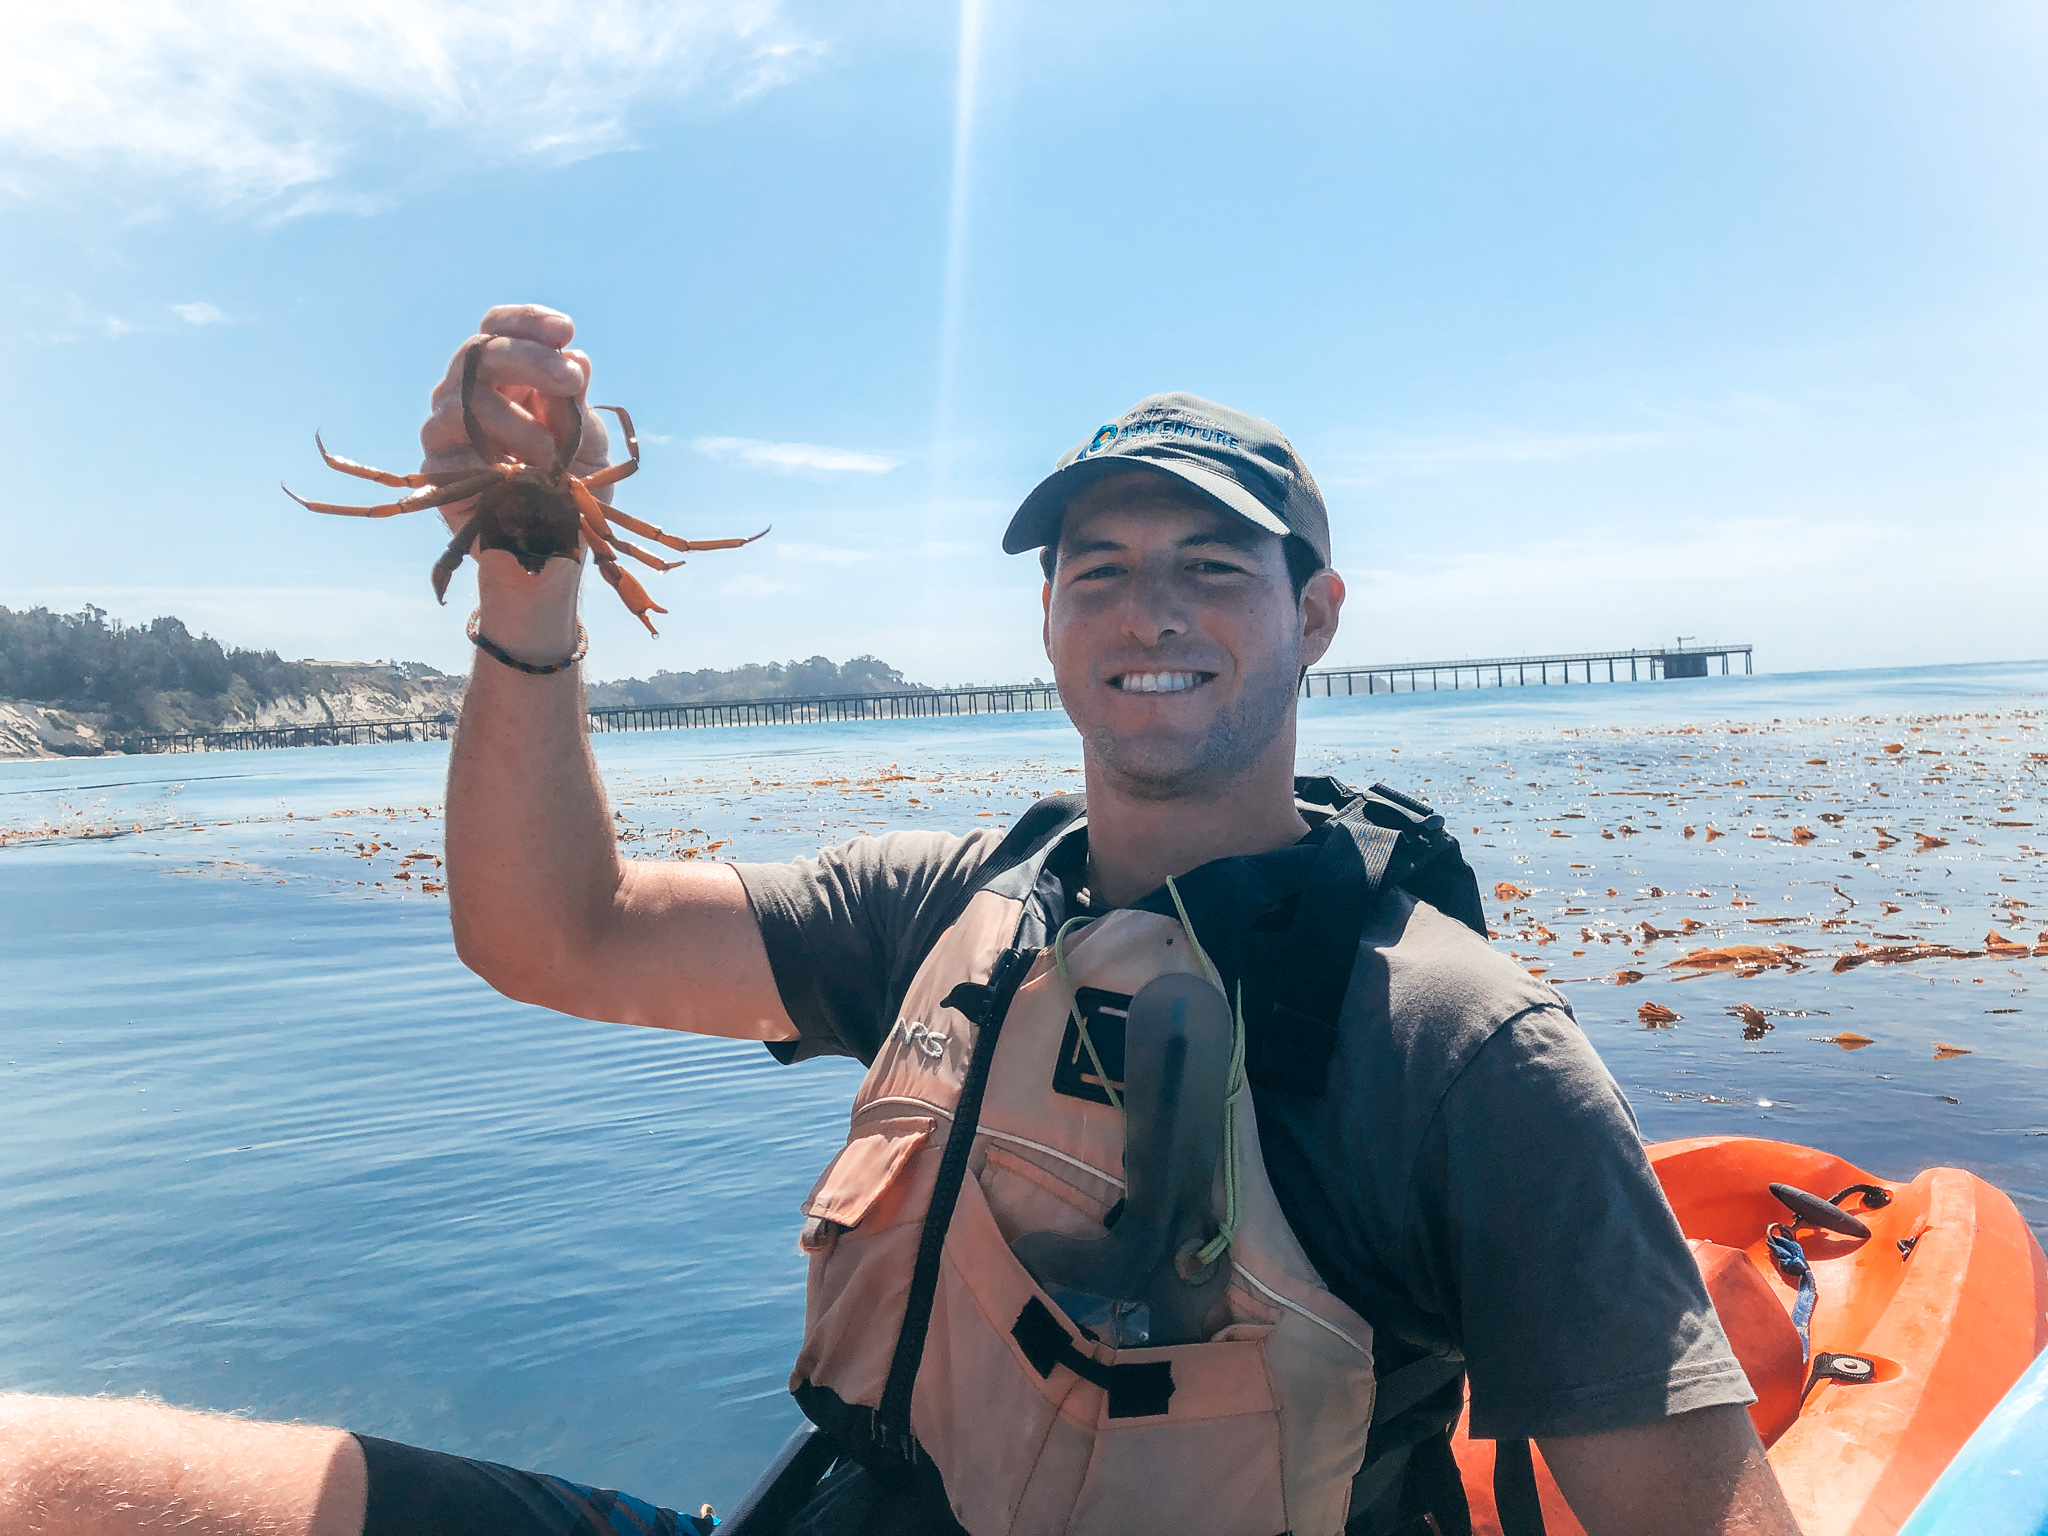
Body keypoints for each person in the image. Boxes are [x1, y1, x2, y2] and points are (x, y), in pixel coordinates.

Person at [0, 305, 1800, 1536]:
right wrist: (531, 577)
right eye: (1098, 569)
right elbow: (557, 932)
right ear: (1045, 622)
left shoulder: (1458, 1046)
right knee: (39, 1472)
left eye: (1210, 568)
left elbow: (1698, 1508)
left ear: (1315, 614)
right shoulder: (951, 907)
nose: (1145, 609)